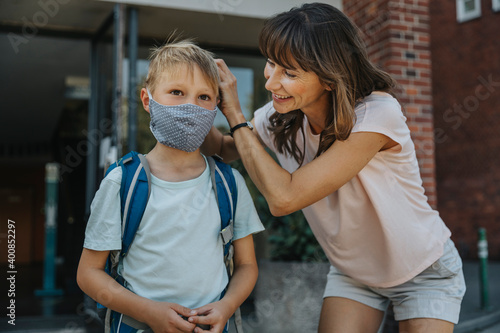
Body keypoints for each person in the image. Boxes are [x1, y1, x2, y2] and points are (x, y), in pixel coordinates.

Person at [200, 3, 465, 333]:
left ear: (328, 77)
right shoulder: (280, 115)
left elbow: (284, 198)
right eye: (271, 63)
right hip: (354, 271)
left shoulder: (376, 115)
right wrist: (193, 103)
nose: (271, 83)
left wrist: (236, 114)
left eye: (290, 73)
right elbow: (227, 148)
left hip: (422, 268)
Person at [77, 40, 264, 333]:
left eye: (204, 97)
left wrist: (226, 307)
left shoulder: (230, 183)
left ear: (216, 106)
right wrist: (150, 313)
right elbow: (88, 274)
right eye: (177, 92)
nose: (190, 105)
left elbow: (247, 266)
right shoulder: (120, 182)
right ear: (147, 99)